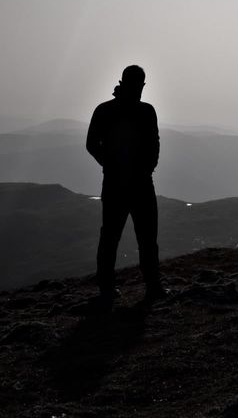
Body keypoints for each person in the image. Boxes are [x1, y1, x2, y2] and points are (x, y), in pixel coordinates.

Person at [86, 64, 166, 309]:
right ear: (136, 84)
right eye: (139, 85)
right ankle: (150, 286)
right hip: (139, 183)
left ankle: (110, 289)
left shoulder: (106, 110)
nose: (140, 89)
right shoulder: (145, 111)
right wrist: (146, 167)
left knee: (113, 237)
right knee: (142, 237)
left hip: (119, 183)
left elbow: (92, 144)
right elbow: (154, 143)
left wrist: (109, 165)